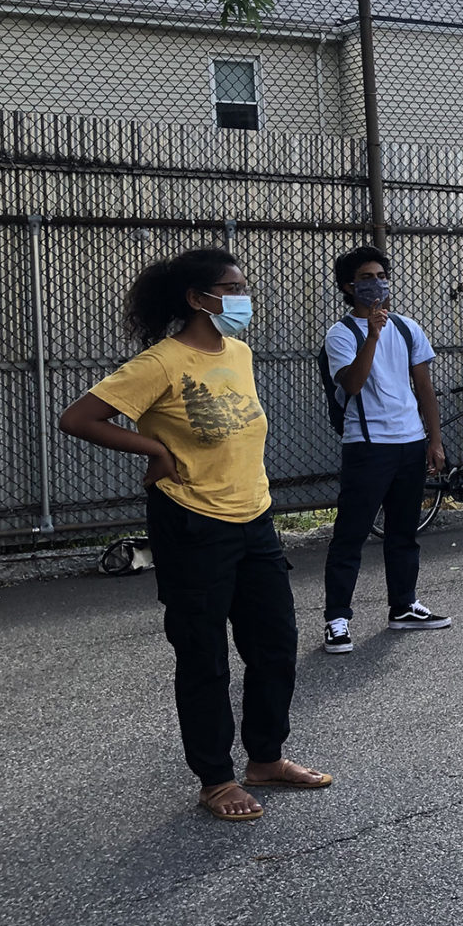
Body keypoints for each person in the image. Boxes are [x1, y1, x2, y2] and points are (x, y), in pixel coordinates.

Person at [58, 246, 331, 822]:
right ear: (197, 299)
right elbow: (79, 419)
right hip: (192, 523)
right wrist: (155, 447)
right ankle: (215, 778)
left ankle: (266, 758)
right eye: (232, 287)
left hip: (254, 519)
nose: (243, 297)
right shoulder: (160, 363)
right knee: (203, 655)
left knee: (275, 645)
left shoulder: (239, 351)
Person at [320, 245, 448, 653]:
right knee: (351, 535)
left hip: (410, 444)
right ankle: (337, 618)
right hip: (368, 446)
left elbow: (424, 387)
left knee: (403, 532)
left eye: (380, 276)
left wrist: (435, 440)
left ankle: (404, 606)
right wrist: (372, 335)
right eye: (366, 278)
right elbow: (352, 384)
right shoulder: (341, 334)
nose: (376, 284)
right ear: (348, 287)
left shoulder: (409, 328)